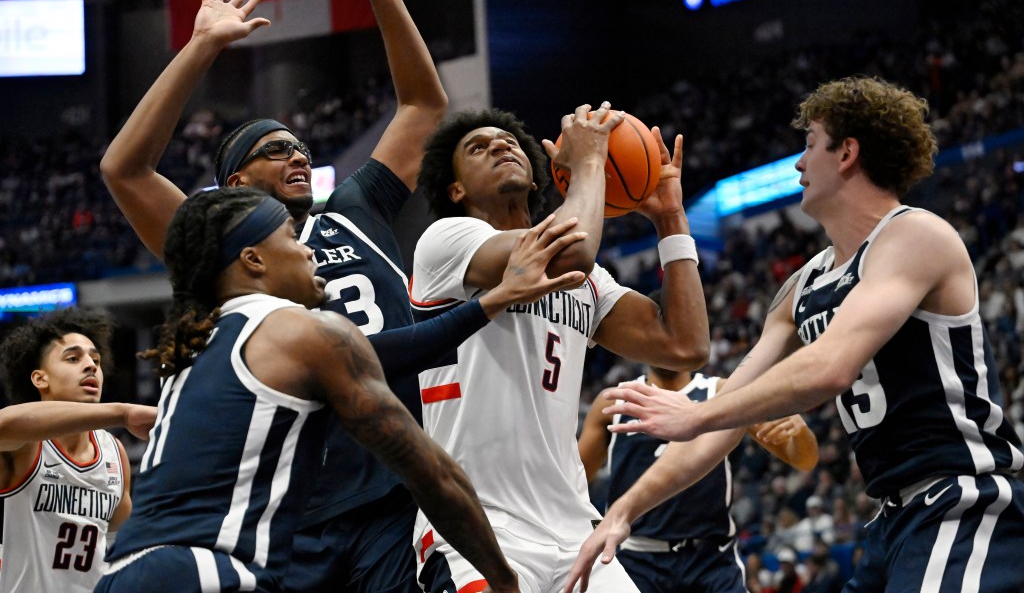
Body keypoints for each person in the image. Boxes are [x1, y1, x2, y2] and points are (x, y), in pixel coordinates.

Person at [99, 0, 465, 589]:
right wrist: (202, 48)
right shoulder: (220, 245)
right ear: (234, 184)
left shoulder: (353, 209)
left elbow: (422, 104)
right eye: (273, 150)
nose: (296, 153)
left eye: (299, 147)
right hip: (285, 516)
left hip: (388, 496)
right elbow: (124, 169)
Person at [566, 76, 1024, 592]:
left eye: (809, 146)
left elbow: (831, 366)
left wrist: (695, 413)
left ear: (847, 152)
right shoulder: (802, 285)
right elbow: (722, 423)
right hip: (893, 518)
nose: (798, 164)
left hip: (962, 501)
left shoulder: (914, 236)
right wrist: (623, 510)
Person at [96, 186, 589, 591]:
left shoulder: (194, 346)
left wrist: (496, 299)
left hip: (123, 572)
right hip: (204, 572)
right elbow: (433, 474)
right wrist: (502, 578)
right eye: (291, 237)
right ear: (253, 260)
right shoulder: (302, 331)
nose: (309, 250)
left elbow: (392, 350)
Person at [410, 102, 711, 592]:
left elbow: (685, 344)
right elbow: (572, 251)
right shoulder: (448, 242)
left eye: (507, 142)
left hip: (574, 528)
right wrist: (592, 158)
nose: (499, 146)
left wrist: (671, 220)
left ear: (536, 178)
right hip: (478, 527)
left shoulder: (589, 284)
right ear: (456, 188)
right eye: (478, 147)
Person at [576, 312, 819, 593]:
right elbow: (574, 483)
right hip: (636, 558)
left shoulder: (724, 392)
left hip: (710, 559)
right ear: (641, 337)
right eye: (658, 332)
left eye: (675, 332)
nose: (666, 342)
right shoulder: (615, 401)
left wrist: (797, 432)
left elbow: (805, 459)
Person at [0, 309, 157, 593]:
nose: (90, 366)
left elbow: (122, 551)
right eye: (73, 358)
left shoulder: (114, 452)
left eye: (95, 360)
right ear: (40, 379)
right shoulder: (26, 445)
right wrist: (123, 413)